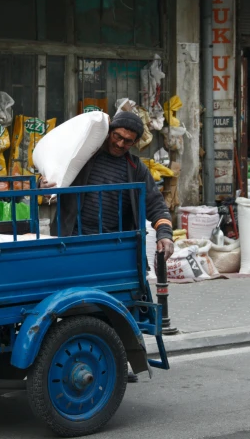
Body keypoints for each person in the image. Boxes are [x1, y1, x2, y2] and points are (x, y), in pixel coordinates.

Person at [40, 111, 174, 381]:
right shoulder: (83, 157)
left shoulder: (136, 169)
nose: (121, 144)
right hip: (73, 241)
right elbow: (53, 178)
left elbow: (155, 203)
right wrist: (43, 184)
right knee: (72, 309)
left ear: (135, 143)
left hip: (112, 246)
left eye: (128, 141)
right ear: (110, 132)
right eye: (117, 137)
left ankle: (114, 363)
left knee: (111, 310)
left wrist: (165, 232)